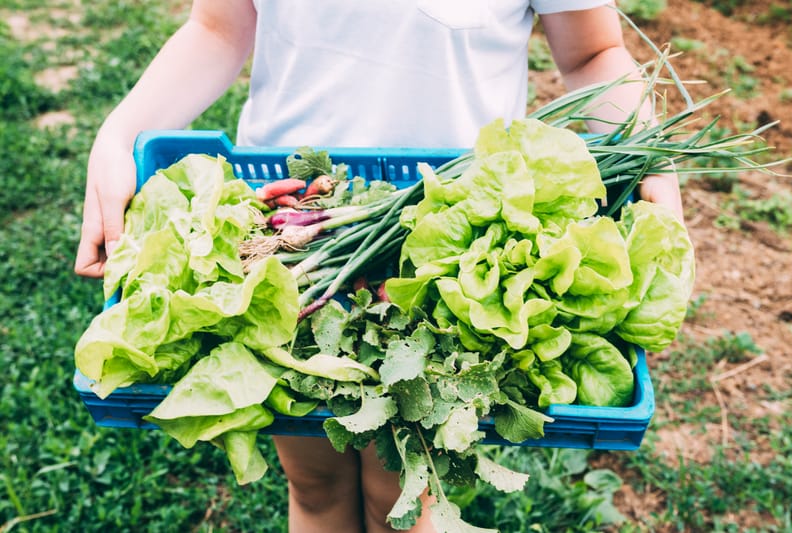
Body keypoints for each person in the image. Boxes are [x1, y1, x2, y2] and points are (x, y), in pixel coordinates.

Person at [75, 2, 683, 531]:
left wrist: (652, 155)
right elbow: (217, 27)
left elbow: (592, 51)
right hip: (291, 242)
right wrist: (119, 130)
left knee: (400, 501)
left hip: (448, 262)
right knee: (313, 485)